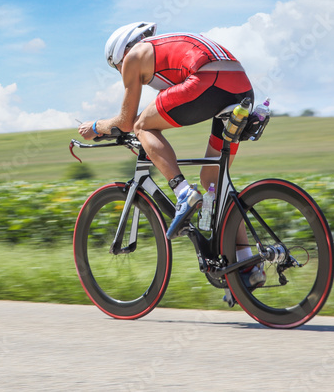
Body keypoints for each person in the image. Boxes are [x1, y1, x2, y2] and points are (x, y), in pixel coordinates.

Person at [78, 21, 265, 289]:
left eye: (116, 68)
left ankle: (183, 193)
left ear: (120, 53)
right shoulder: (166, 45)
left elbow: (127, 122)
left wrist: (95, 128)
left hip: (207, 79)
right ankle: (248, 266)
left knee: (142, 125)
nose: (121, 73)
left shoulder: (134, 55)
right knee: (212, 180)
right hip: (240, 87)